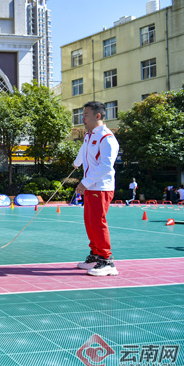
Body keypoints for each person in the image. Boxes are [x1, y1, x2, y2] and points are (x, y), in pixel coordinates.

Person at [73, 101, 120, 277]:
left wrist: (85, 182)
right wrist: (76, 163)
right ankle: (95, 256)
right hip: (91, 186)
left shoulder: (107, 138)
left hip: (101, 187)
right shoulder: (89, 136)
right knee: (90, 223)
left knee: (98, 223)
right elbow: (84, 150)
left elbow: (106, 166)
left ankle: (107, 261)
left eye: (85, 114)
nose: (82, 118)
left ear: (97, 116)